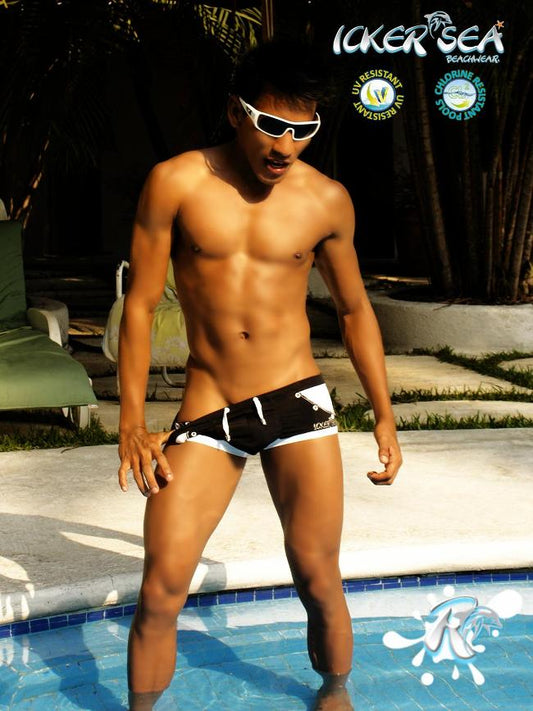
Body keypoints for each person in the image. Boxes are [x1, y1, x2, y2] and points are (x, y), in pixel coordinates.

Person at [117, 40, 402, 711]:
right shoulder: (176, 182)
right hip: (209, 408)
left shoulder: (326, 200)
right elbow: (140, 304)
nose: (285, 146)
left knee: (317, 576)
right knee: (160, 587)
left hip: (297, 402)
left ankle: (334, 692)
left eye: (303, 130)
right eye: (271, 125)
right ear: (235, 113)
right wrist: (130, 420)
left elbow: (355, 310)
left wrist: (384, 413)